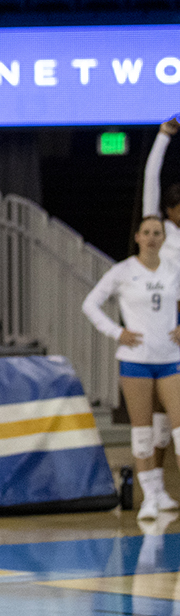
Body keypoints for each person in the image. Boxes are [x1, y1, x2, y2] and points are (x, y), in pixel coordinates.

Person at [82, 215, 180, 519]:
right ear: (137, 237)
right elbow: (90, 304)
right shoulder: (123, 271)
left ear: (165, 238)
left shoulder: (173, 270)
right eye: (146, 233)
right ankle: (150, 495)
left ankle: (162, 491)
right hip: (136, 360)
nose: (152, 238)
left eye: (157, 233)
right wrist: (117, 332)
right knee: (142, 430)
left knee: (176, 428)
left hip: (170, 359)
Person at [141, 117, 180, 462]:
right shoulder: (158, 230)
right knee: (162, 408)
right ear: (169, 210)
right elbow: (151, 180)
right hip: (163, 319)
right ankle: (153, 477)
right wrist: (163, 138)